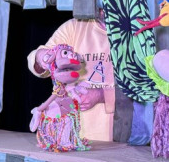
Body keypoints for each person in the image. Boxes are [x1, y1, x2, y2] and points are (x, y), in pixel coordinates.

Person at [27, 9, 115, 141]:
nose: (102, 10)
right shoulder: (74, 26)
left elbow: (143, 89)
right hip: (69, 133)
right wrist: (42, 58)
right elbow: (39, 63)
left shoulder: (136, 32)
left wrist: (102, 95)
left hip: (114, 135)